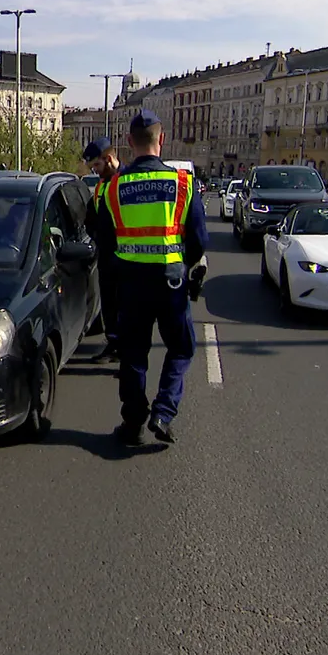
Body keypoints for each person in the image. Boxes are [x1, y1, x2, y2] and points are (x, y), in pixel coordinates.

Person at [97, 110, 208, 445]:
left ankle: (132, 425)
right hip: (171, 282)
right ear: (162, 140)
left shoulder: (113, 188)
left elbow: (105, 245)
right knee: (181, 348)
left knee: (133, 355)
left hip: (130, 283)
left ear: (129, 143)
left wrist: (112, 291)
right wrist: (183, 266)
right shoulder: (183, 184)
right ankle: (163, 411)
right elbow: (199, 241)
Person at [82, 137, 123, 363]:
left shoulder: (127, 182)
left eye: (96, 165)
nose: (95, 171)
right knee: (109, 305)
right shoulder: (100, 188)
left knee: (127, 308)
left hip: (129, 258)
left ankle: (127, 353)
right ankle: (114, 344)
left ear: (108, 159)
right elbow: (90, 219)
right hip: (107, 258)